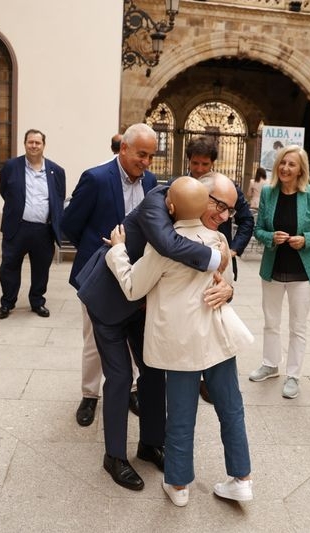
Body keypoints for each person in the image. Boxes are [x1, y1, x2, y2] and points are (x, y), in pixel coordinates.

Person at [73, 178, 232, 492]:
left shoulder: (197, 219)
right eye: (219, 206)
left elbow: (210, 276)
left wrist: (227, 286)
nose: (222, 215)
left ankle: (150, 443)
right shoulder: (158, 201)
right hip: (109, 299)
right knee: (119, 377)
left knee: (153, 371)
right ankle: (114, 456)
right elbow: (167, 244)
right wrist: (215, 257)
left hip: (141, 304)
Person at [105, 175, 253, 507]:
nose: (225, 215)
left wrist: (117, 252)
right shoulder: (216, 241)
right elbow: (221, 276)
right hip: (217, 338)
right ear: (204, 202)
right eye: (220, 206)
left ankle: (179, 485)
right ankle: (241, 478)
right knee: (231, 408)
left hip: (180, 343)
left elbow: (133, 288)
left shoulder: (162, 247)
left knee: (182, 414)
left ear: (171, 207)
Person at [62, 124, 158, 427]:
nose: (146, 162)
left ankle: (129, 389)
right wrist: (96, 254)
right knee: (94, 339)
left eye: (151, 156)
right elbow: (69, 224)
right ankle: (90, 395)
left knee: (132, 337)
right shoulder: (96, 178)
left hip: (136, 274)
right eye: (141, 154)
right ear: (124, 148)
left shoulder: (152, 181)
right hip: (100, 275)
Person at [248, 145, 310, 399]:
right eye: (282, 163)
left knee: (298, 326)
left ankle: (293, 375)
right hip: (273, 268)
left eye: (291, 164)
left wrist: (305, 240)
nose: (285, 168)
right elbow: (258, 229)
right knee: (271, 322)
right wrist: (271, 236)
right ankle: (271, 364)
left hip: (302, 272)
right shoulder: (269, 193)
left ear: (300, 169)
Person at [184, 135, 253, 404]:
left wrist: (233, 249)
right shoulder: (183, 185)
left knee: (216, 318)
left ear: (213, 163)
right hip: (189, 261)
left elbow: (246, 221)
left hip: (220, 262)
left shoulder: (228, 188)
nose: (199, 169)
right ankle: (192, 374)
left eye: (204, 164)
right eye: (195, 163)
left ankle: (209, 377)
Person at [0, 129, 66, 319]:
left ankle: (37, 301)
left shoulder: (56, 171)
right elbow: (5, 192)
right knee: (9, 266)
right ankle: (7, 302)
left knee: (41, 268)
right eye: (30, 142)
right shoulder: (11, 166)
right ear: (24, 143)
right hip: (17, 228)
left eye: (38, 142)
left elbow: (58, 199)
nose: (34, 146)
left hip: (43, 230)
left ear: (44, 145)